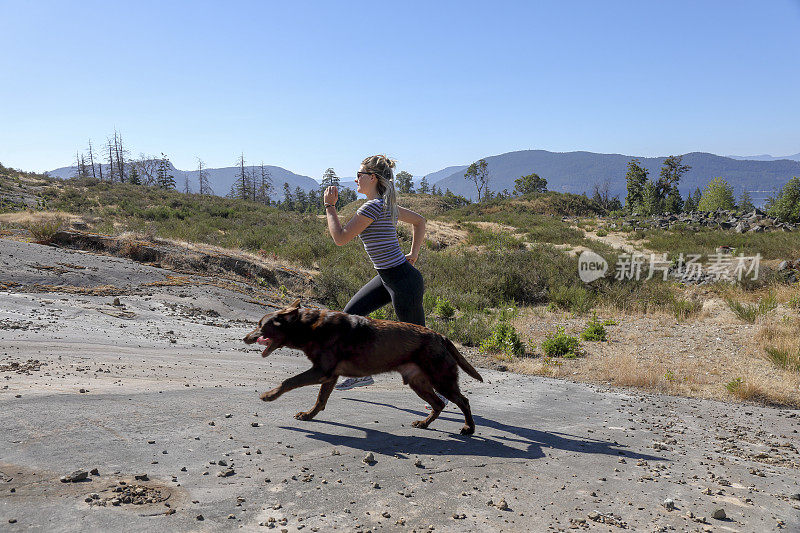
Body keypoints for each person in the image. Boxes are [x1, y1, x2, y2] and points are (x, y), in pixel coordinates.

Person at [323, 155, 446, 407]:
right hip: (387, 277)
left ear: (372, 178)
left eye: (359, 174)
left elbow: (340, 238)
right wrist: (413, 253)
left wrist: (330, 207)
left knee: (417, 340)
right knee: (350, 316)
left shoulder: (372, 207)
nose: (355, 179)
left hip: (403, 281)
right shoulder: (385, 206)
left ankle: (441, 388)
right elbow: (420, 221)